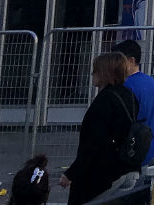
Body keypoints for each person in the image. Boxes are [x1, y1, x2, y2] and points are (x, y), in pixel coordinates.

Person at [59, 52, 140, 205]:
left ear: (104, 73)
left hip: (104, 173)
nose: (92, 74)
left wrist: (71, 174)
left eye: (96, 70)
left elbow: (92, 144)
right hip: (128, 167)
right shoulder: (128, 95)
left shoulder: (103, 102)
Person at [113, 39, 154, 165]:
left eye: (117, 60)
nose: (114, 64)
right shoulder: (152, 82)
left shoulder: (124, 86)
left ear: (131, 60)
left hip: (133, 154)